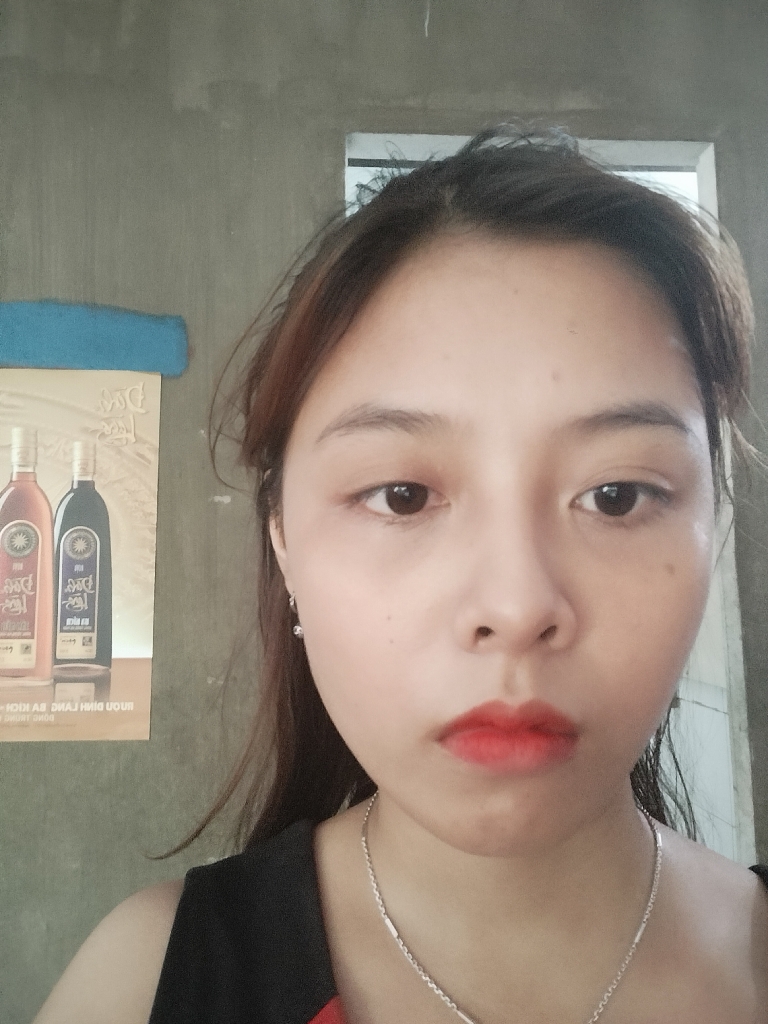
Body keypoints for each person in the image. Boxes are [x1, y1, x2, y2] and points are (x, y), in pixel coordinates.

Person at [35, 127, 767, 1024]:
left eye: (616, 496)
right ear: (283, 544)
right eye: (402, 495)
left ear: (715, 531)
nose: (515, 606)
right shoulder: (143, 984)